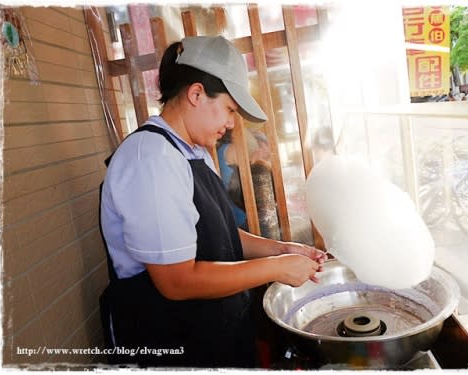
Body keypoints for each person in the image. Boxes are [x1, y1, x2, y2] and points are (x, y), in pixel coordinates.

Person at [99, 35, 326, 369]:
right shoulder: (151, 158)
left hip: (212, 332)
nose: (232, 123)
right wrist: (277, 268)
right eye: (230, 109)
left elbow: (218, 234)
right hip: (171, 344)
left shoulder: (191, 152)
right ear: (196, 94)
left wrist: (280, 250)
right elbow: (177, 282)